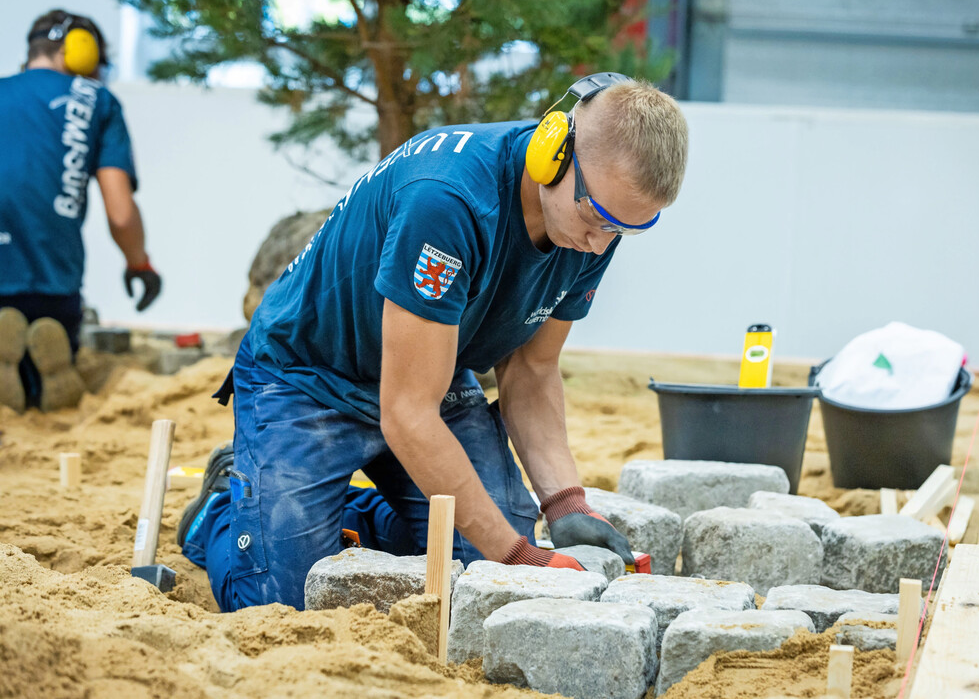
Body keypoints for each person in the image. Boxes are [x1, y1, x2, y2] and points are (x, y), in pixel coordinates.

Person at [177, 72, 689, 611]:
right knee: (280, 604)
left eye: (626, 228)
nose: (600, 242)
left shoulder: (594, 219)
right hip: (308, 376)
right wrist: (520, 557)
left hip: (428, 370)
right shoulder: (447, 199)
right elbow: (406, 413)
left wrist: (565, 503)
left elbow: (531, 369)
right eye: (597, 216)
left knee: (478, 562)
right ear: (553, 153)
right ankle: (221, 513)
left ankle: (339, 514)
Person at [0, 9, 161, 413]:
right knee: (54, 358)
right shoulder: (98, 101)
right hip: (53, 282)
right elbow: (121, 213)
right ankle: (46, 377)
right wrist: (139, 264)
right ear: (82, 52)